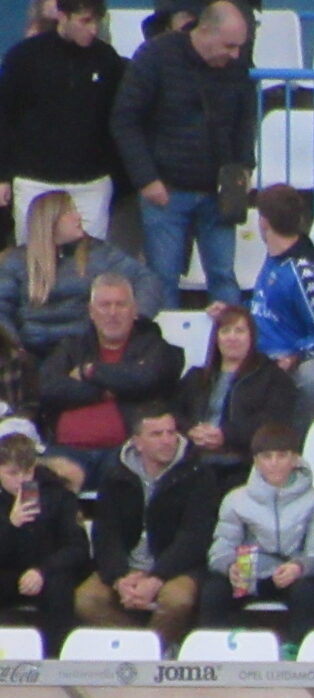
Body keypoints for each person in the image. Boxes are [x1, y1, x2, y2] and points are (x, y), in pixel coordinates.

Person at [111, 0, 253, 307]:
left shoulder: (235, 66)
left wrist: (244, 167)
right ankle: (167, 351)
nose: (235, 55)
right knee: (163, 279)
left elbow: (245, 119)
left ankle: (231, 350)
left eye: (239, 47)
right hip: (166, 189)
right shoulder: (156, 55)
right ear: (206, 31)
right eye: (229, 46)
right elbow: (125, 119)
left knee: (224, 276)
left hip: (220, 189)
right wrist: (146, 179)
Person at [79, 404, 216, 645]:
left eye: (171, 433)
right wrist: (120, 579)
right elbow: (106, 534)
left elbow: (194, 537)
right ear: (137, 442)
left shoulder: (198, 474)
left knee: (176, 600)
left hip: (175, 568)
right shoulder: (115, 476)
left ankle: (151, 656)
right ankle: (143, 648)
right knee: (87, 599)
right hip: (127, 567)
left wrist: (156, 578)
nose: (167, 440)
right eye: (157, 434)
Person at [0, 0, 125, 245]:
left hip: (91, 181)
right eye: (85, 21)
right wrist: (3, 175)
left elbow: (118, 120)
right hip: (35, 179)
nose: (92, 29)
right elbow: (5, 117)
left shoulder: (107, 60)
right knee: (33, 257)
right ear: (62, 16)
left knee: (90, 261)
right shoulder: (25, 56)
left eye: (96, 21)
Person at [37, 272, 183, 478]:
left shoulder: (154, 347)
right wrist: (107, 390)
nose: (112, 313)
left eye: (120, 305)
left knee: (120, 486)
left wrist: (89, 371)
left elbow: (144, 380)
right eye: (105, 305)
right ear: (91, 311)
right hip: (66, 449)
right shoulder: (71, 347)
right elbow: (47, 388)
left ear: (134, 311)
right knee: (40, 486)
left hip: (125, 450)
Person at [0, 191, 164, 361]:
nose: (78, 217)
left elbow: (146, 279)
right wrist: (13, 346)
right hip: (31, 355)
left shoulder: (99, 254)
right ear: (50, 221)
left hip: (82, 354)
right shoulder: (15, 261)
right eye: (68, 212)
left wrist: (136, 318)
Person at [205, 422, 314, 640]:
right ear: (256, 461)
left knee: (306, 592)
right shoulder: (236, 499)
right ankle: (216, 650)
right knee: (214, 591)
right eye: (267, 457)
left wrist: (299, 567)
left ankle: (298, 652)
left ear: (295, 459)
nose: (274, 463)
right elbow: (221, 548)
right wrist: (230, 566)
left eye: (282, 456)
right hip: (249, 573)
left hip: (293, 575)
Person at [176, 303, 297, 487]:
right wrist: (191, 430)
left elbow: (274, 421)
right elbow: (172, 411)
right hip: (195, 462)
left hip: (243, 466)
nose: (232, 337)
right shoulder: (197, 377)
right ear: (216, 338)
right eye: (225, 331)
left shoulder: (272, 377)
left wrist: (225, 435)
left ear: (251, 337)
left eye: (239, 331)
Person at [244, 187, 314, 428]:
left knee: (313, 377)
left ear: (264, 222)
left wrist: (294, 356)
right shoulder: (272, 256)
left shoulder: (302, 271)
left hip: (284, 357)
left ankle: (298, 444)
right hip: (257, 355)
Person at [0, 432, 88, 652]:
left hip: (48, 572)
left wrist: (42, 571)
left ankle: (56, 658)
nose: (22, 480)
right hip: (7, 572)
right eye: (12, 473)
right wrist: (11, 526)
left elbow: (77, 547)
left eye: (27, 472)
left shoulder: (57, 495)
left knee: (59, 588)